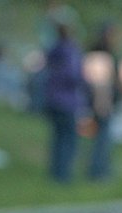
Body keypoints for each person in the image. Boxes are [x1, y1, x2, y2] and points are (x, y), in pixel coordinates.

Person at [43, 18, 84, 184]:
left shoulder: (53, 51)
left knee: (58, 138)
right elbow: (74, 76)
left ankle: (55, 173)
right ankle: (63, 175)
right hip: (68, 101)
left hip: (53, 98)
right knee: (69, 140)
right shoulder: (71, 52)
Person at [85, 21, 121, 181]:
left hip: (102, 102)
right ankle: (98, 172)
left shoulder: (99, 54)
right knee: (102, 140)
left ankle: (99, 170)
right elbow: (99, 84)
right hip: (101, 104)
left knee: (102, 139)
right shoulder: (101, 55)